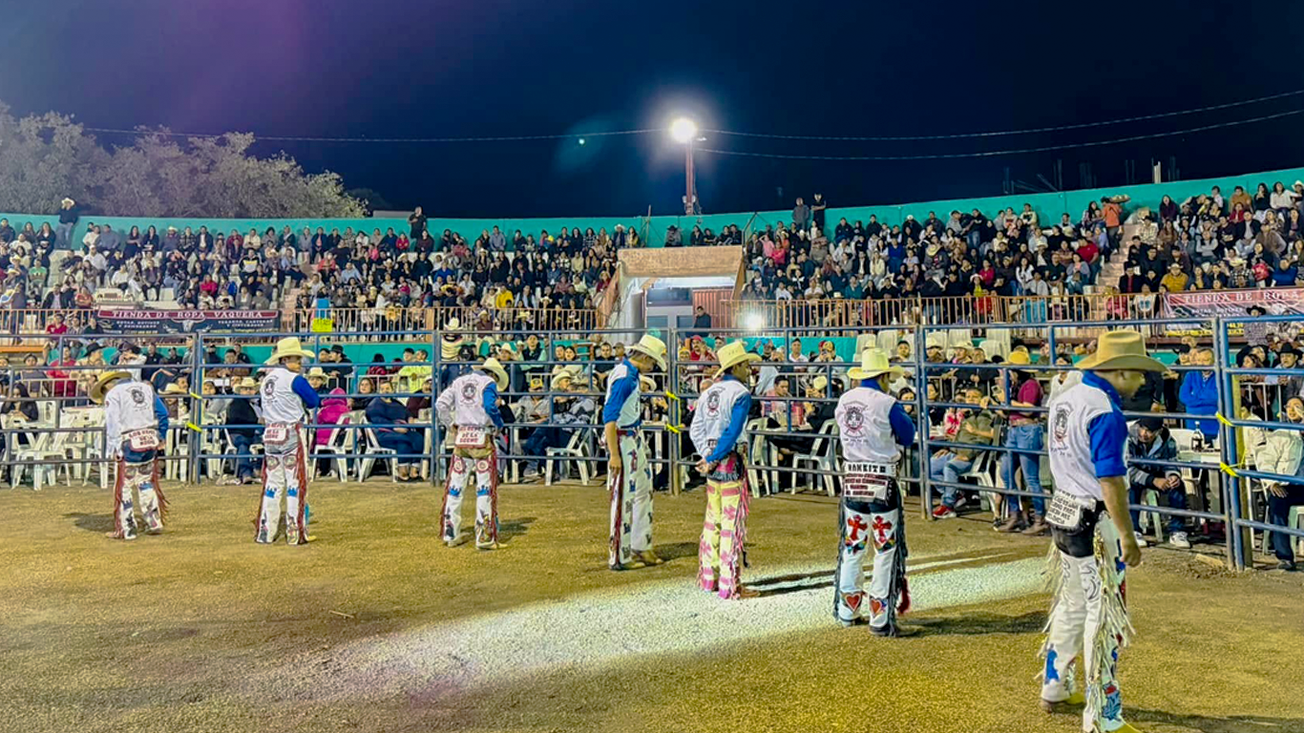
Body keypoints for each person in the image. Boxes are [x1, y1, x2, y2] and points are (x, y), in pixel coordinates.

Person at [1039, 330, 1162, 733]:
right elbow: (1110, 479)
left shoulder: (1066, 400)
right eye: (1139, 374)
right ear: (1120, 372)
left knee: (1074, 604)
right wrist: (1128, 535)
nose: (1143, 382)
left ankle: (1055, 683)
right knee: (1103, 614)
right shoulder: (1105, 412)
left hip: (1063, 511)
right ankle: (1102, 715)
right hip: (1094, 521)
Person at [833, 349, 916, 635]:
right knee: (884, 548)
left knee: (853, 544)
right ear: (882, 377)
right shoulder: (887, 403)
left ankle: (847, 608)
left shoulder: (844, 401)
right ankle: (879, 617)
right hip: (881, 480)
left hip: (853, 479)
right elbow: (907, 435)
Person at [690, 341, 760, 600]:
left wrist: (707, 456)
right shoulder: (740, 393)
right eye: (747, 365)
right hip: (729, 458)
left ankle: (710, 577)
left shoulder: (709, 391)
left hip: (712, 458)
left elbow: (695, 428)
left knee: (713, 518)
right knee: (731, 520)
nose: (749, 369)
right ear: (738, 366)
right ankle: (730, 584)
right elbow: (732, 431)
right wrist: (717, 456)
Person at [604, 334, 667, 571]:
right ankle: (620, 554)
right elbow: (609, 417)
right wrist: (614, 454)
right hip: (623, 439)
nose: (652, 367)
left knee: (641, 491)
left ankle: (640, 544)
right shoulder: (626, 378)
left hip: (631, 437)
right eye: (652, 362)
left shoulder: (628, 375)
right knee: (625, 497)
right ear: (643, 357)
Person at [435, 358, 508, 549]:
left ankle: (451, 533)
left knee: (456, 485)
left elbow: (440, 404)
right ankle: (484, 537)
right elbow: (490, 406)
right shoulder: (488, 384)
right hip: (481, 437)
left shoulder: (459, 382)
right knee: (484, 486)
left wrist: (449, 424)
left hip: (462, 438)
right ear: (493, 374)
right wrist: (499, 424)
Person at [254, 338, 321, 545]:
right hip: (291, 430)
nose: (299, 362)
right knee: (295, 482)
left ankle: (266, 531)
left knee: (273, 483)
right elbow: (314, 401)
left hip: (272, 433)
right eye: (296, 358)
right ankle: (295, 530)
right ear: (285, 359)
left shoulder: (266, 380)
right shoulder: (295, 379)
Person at [92, 370, 169, 541]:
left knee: (124, 486)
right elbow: (163, 414)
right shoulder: (146, 389)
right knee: (145, 481)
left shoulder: (114, 395)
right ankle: (153, 521)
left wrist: (114, 448)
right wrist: (161, 435)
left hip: (128, 441)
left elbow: (113, 422)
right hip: (149, 440)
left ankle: (127, 528)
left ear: (107, 386)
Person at [997, 349, 1048, 535]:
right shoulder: (1017, 386)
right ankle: (1015, 513)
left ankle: (1039, 518)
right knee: (1006, 472)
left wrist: (1008, 401)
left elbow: (1028, 410)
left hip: (1027, 429)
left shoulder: (1030, 385)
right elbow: (1007, 412)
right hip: (1016, 429)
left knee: (1030, 477)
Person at [929, 388, 997, 518]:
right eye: (968, 396)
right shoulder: (968, 416)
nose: (970, 399)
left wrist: (969, 455)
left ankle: (948, 504)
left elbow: (985, 440)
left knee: (950, 467)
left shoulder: (984, 416)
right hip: (957, 451)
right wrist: (949, 448)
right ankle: (956, 494)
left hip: (972, 458)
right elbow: (960, 437)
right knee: (931, 465)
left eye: (974, 396)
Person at [1125, 417, 1190, 549]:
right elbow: (1127, 468)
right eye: (1142, 428)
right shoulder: (1126, 439)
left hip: (1157, 472)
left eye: (1149, 431)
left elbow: (1171, 462)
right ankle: (1133, 531)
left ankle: (1177, 531)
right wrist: (1153, 480)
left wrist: (1172, 476)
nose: (1144, 434)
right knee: (1131, 487)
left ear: (1159, 431)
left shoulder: (1168, 441)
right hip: (1134, 474)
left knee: (1178, 487)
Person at [367, 380, 424, 481]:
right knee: (403, 441)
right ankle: (402, 473)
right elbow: (377, 420)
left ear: (392, 390)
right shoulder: (375, 404)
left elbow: (406, 411)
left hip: (402, 429)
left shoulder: (396, 402)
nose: (385, 391)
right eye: (382, 389)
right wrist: (393, 427)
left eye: (388, 388)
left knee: (418, 438)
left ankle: (414, 471)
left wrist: (410, 417)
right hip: (384, 432)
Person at [226, 377, 262, 485]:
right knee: (243, 443)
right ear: (240, 391)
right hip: (239, 432)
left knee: (266, 442)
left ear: (255, 390)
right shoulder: (236, 403)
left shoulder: (257, 404)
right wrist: (257, 420)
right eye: (245, 389)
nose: (248, 391)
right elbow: (235, 418)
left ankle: (257, 470)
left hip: (251, 432)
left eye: (250, 389)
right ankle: (246, 473)